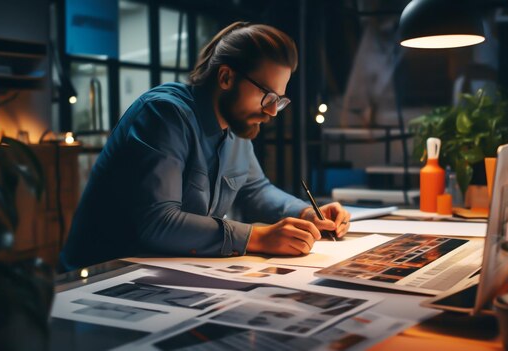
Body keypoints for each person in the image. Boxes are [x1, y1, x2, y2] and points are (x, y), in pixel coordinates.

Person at [59, 22, 351, 271]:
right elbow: (158, 223)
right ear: (226, 77)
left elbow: (255, 190)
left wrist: (306, 214)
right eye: (267, 96)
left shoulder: (237, 127)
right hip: (102, 276)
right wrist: (256, 237)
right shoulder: (164, 114)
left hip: (166, 273)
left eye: (278, 100)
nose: (272, 111)